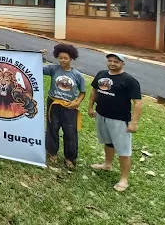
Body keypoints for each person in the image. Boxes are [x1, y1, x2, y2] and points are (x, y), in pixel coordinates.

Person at [89, 53, 142, 192]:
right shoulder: (101, 74)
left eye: (116, 62)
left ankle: (124, 179)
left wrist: (134, 122)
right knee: (108, 142)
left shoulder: (129, 81)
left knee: (123, 149)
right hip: (101, 115)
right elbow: (94, 91)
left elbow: (137, 103)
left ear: (122, 63)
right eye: (110, 61)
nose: (112, 64)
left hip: (119, 119)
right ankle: (107, 164)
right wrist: (90, 107)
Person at [44, 44, 85, 169]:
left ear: (71, 58)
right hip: (53, 103)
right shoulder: (53, 69)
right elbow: (36, 68)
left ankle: (70, 157)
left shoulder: (77, 75)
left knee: (70, 132)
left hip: (69, 106)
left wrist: (77, 102)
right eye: (60, 58)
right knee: (52, 128)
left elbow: (83, 92)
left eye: (65, 58)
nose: (62, 60)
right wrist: (39, 56)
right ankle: (52, 152)